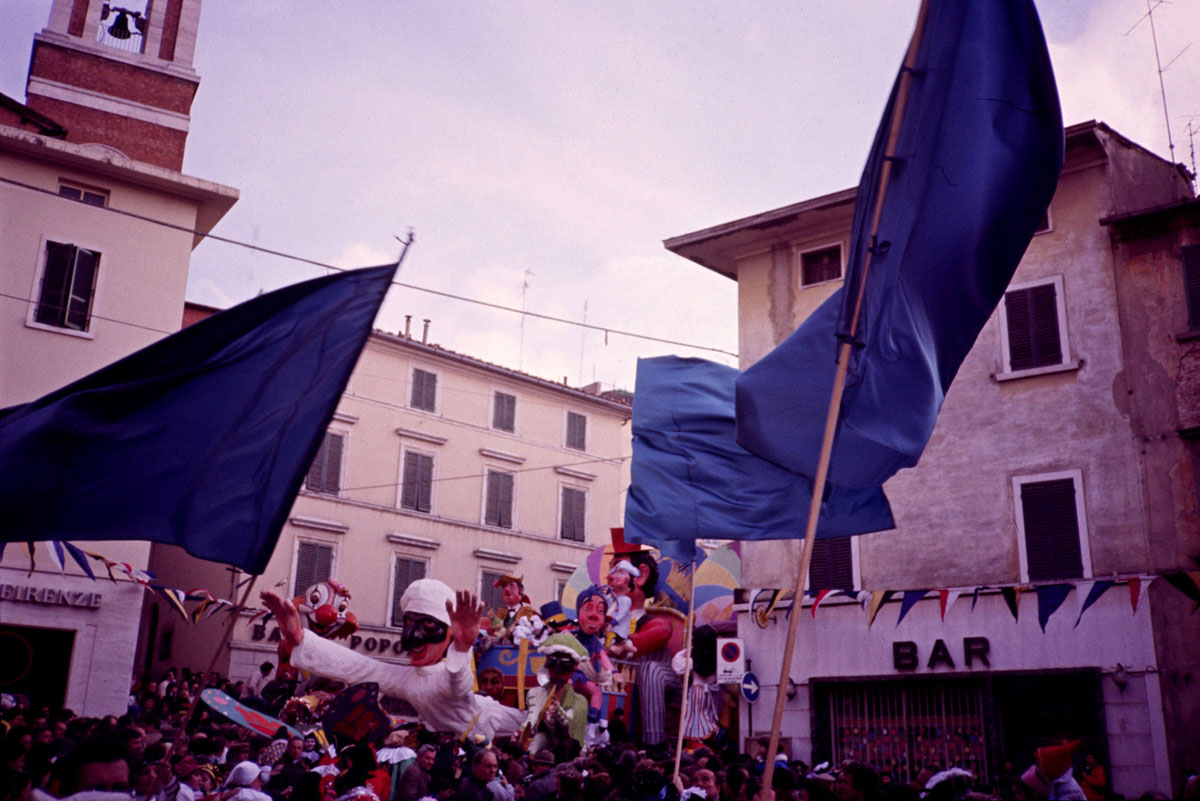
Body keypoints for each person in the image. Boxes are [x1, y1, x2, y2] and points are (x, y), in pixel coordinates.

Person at [261, 581, 525, 740]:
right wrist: (297, 636)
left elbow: (458, 685)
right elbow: (359, 666)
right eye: (410, 622)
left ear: (447, 635)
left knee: (532, 725)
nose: (415, 633)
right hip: (457, 737)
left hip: (493, 719)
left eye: (429, 624)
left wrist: (462, 646)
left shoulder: (448, 674)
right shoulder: (409, 680)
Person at [607, 549, 686, 747]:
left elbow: (660, 632)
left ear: (641, 575)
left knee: (651, 672)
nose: (609, 576)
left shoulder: (655, 621)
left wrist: (627, 644)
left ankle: (653, 745)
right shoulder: (605, 617)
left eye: (617, 570)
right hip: (613, 682)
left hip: (661, 678)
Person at [524, 634, 590, 757]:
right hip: (546, 741)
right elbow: (530, 720)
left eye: (564, 669)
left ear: (573, 668)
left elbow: (572, 729)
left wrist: (558, 711)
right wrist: (521, 731)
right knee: (537, 741)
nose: (557, 673)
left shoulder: (580, 702)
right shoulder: (536, 693)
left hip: (570, 748)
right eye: (552, 667)